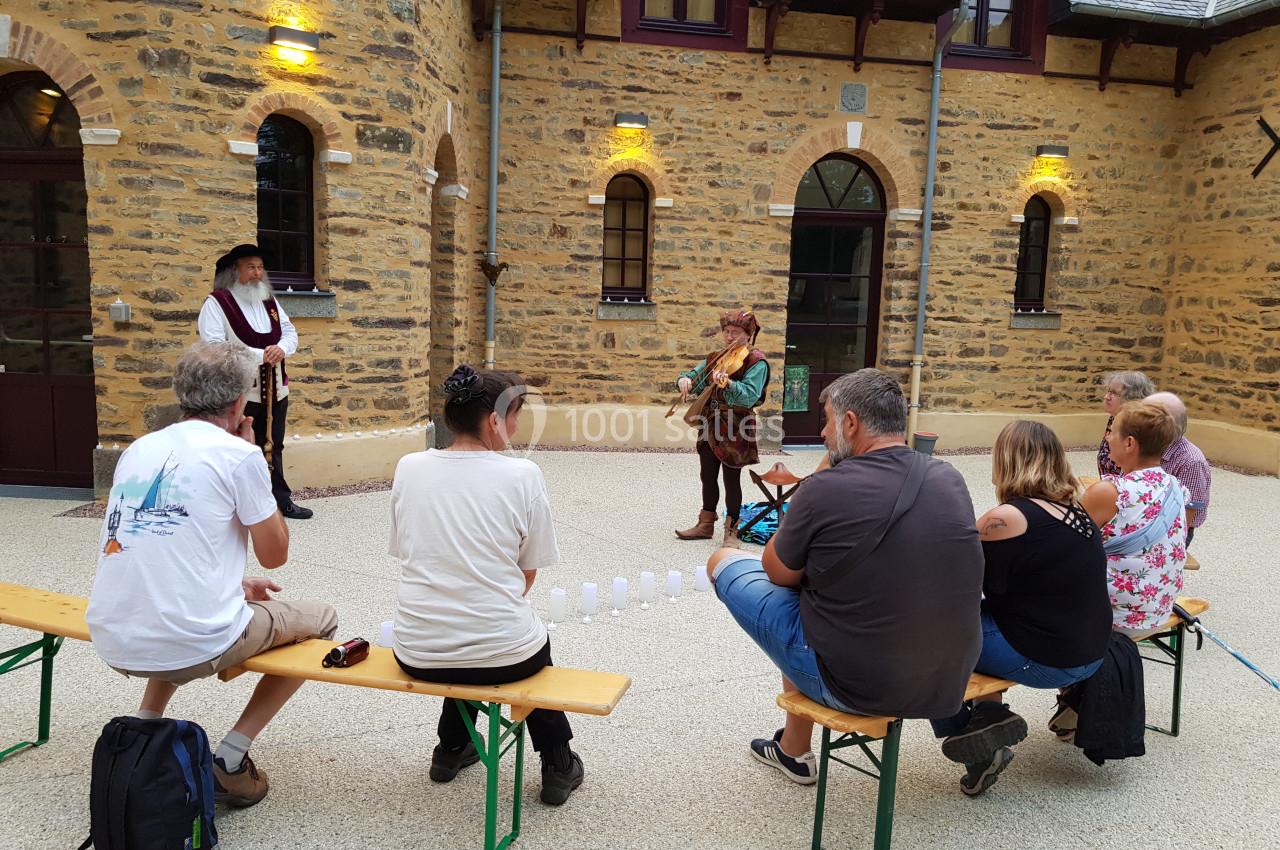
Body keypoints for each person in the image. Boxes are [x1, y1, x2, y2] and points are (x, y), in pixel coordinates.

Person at [86, 341, 338, 808]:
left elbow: (156, 544)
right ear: (240, 402)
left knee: (177, 609)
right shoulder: (237, 455)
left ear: (181, 393)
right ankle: (231, 756)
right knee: (322, 619)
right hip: (192, 642)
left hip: (112, 635)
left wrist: (234, 585)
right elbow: (275, 554)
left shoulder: (139, 450)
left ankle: (146, 723)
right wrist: (256, 462)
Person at [706, 368, 984, 785]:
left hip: (857, 688)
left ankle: (795, 751)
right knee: (820, 589)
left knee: (725, 561)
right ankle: (793, 748)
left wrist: (816, 481)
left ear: (850, 423)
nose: (822, 433)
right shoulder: (948, 477)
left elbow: (775, 570)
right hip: (946, 681)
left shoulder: (825, 487)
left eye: (827, 421)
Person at [389, 365, 584, 806]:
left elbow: (409, 552)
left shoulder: (409, 467)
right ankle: (557, 763)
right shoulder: (522, 474)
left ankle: (451, 747)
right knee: (522, 646)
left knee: (471, 628)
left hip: (417, 650)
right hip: (501, 657)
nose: (516, 427)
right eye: (515, 416)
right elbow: (528, 571)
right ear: (495, 420)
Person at [930, 421, 1111, 796]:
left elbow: (952, 586)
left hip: (1048, 659)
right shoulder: (1077, 513)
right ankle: (989, 714)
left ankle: (970, 737)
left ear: (1006, 461)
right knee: (977, 623)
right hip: (1092, 653)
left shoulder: (1006, 519)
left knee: (925, 640)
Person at [198, 244, 312, 520]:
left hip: (276, 388)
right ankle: (235, 504)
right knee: (237, 446)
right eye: (250, 267)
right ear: (233, 271)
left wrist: (282, 349)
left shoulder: (269, 301)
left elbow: (289, 332)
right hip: (239, 392)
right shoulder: (217, 303)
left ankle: (279, 499)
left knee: (274, 443)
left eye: (260, 267)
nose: (257, 273)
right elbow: (214, 346)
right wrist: (262, 355)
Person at [1082, 401, 1188, 638]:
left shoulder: (1110, 492)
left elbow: (1066, 546)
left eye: (1112, 431)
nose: (1107, 437)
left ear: (1129, 443)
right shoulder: (1175, 487)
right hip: (1158, 610)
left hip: (1115, 617)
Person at [674, 308, 770, 544]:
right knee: (707, 474)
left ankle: (732, 529)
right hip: (711, 422)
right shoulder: (716, 358)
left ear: (748, 334)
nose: (729, 337)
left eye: (735, 332)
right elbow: (695, 376)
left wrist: (729, 384)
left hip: (736, 424)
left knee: (731, 478)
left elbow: (750, 396)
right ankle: (705, 524)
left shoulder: (756, 361)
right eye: (726, 331)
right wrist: (684, 380)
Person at [1146, 391, 1211, 547]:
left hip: (1173, 531)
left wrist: (1173, 545)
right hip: (1147, 523)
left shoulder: (1191, 461)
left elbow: (1189, 510)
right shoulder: (1149, 446)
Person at [1096, 370, 1155, 477]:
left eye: (1114, 393)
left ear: (1132, 397)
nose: (1106, 397)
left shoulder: (1137, 427)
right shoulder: (1115, 418)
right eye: (1108, 391)